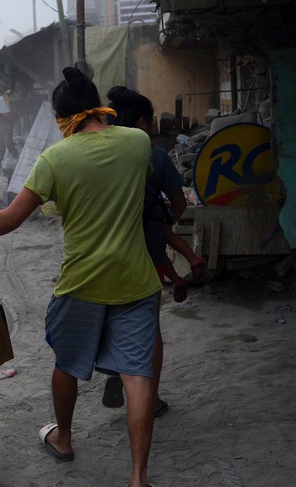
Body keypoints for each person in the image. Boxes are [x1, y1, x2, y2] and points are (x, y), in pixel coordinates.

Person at [0, 67, 160, 487]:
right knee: (137, 375)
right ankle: (139, 477)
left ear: (61, 115)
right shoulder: (138, 142)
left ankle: (64, 438)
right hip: (136, 281)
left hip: (83, 283)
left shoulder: (55, 158)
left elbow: (11, 218)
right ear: (99, 106)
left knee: (67, 363)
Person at [101, 86, 208, 419]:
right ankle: (150, 400)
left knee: (114, 319)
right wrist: (163, 223)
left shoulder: (97, 152)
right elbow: (178, 203)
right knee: (148, 327)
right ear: (144, 121)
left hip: (104, 251)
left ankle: (117, 371)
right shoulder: (154, 154)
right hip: (147, 250)